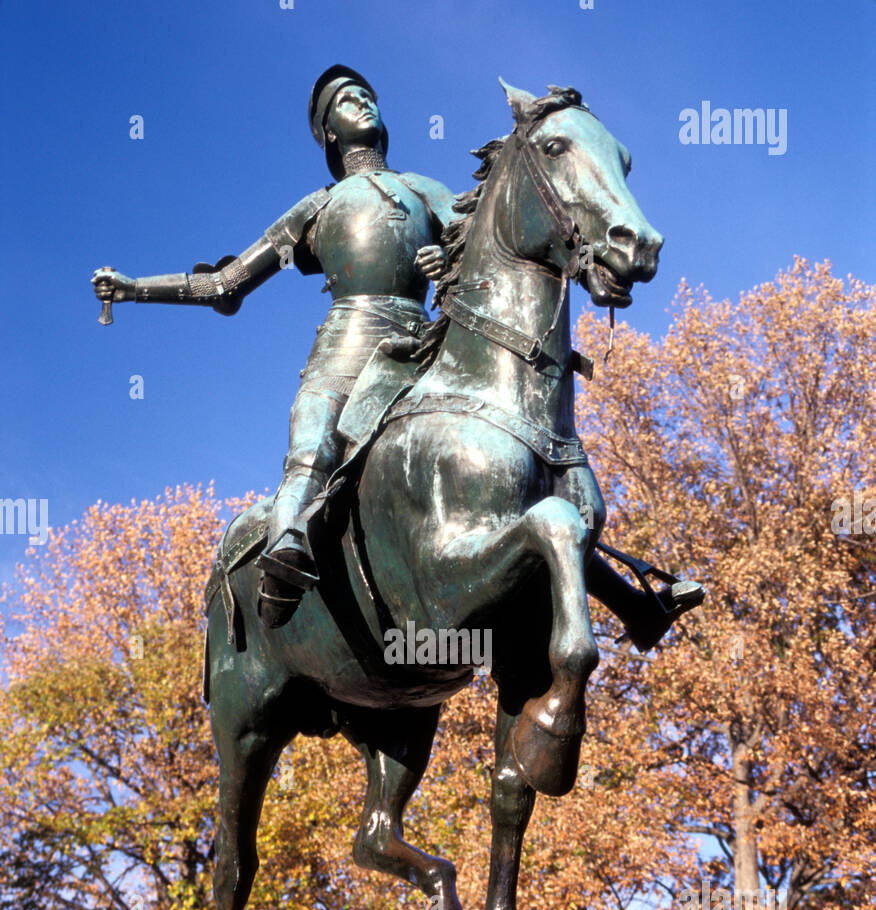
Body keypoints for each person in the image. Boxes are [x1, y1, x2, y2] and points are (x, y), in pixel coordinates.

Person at [93, 65, 702, 646]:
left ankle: (624, 598)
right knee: (314, 441)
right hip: (349, 341)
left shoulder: (426, 191)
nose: (361, 100)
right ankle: (285, 545)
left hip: (425, 344)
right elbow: (226, 286)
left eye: (365, 94)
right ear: (329, 132)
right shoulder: (316, 209)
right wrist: (135, 288)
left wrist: (448, 265)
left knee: (503, 464)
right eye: (343, 101)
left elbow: (479, 245)